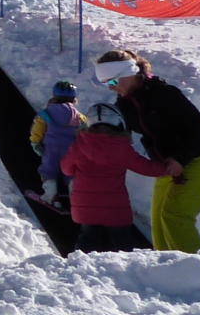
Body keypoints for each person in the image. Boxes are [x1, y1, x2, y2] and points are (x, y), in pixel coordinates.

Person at [97, 49, 200, 252]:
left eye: (112, 82)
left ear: (128, 74)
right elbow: (121, 135)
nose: (111, 88)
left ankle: (198, 270)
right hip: (166, 165)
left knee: (174, 215)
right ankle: (166, 269)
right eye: (106, 84)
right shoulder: (125, 103)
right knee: (158, 219)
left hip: (198, 159)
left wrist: (180, 159)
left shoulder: (165, 94)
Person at [63, 103, 182, 253]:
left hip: (84, 206)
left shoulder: (79, 146)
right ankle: (126, 269)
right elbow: (145, 167)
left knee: (88, 239)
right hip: (115, 207)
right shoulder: (122, 148)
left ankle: (79, 268)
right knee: (122, 243)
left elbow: (66, 169)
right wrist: (168, 169)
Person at [28, 81, 85, 207]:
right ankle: (75, 197)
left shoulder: (46, 113)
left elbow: (37, 129)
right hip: (71, 150)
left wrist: (35, 142)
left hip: (51, 149)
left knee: (49, 170)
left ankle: (51, 197)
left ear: (54, 96)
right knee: (71, 172)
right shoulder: (79, 116)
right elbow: (85, 131)